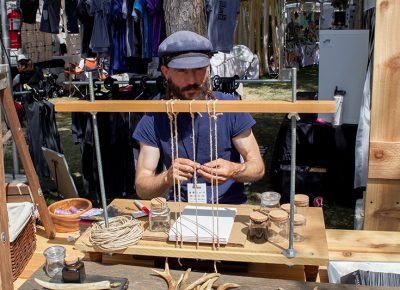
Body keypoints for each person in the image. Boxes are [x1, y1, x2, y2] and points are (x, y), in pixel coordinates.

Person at [133, 31, 264, 204]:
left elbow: (258, 168)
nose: (192, 80)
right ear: (166, 72)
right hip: (181, 208)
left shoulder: (230, 107)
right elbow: (142, 187)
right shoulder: (154, 117)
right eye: (182, 71)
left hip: (230, 206)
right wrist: (167, 178)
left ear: (208, 68)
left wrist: (234, 170)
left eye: (199, 69)